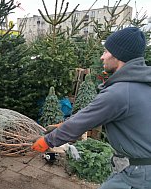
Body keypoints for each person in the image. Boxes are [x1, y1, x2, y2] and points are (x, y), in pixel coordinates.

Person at [31, 27, 151, 189]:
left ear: (118, 56)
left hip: (138, 174)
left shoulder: (120, 92)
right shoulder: (143, 82)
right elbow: (104, 115)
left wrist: (47, 141)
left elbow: (81, 122)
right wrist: (63, 125)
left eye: (106, 52)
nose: (102, 57)